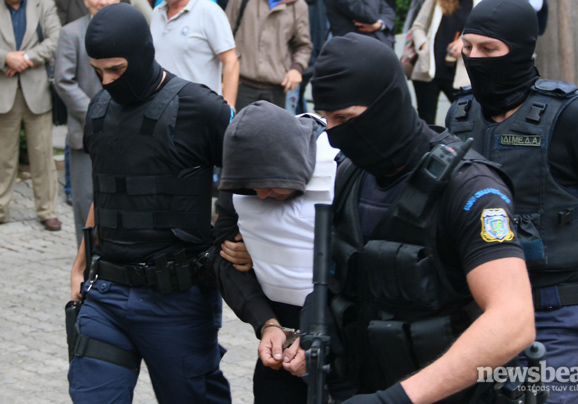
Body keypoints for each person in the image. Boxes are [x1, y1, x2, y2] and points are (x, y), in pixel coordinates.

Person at [301, 32, 536, 403]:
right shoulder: (351, 174)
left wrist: (398, 399)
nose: (333, 135)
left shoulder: (470, 189)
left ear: (387, 105)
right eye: (326, 119)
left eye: (345, 118)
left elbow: (514, 321)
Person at [445, 0, 578, 403]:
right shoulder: (460, 115)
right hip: (476, 311)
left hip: (555, 314)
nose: (474, 58)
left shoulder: (575, 119)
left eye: (489, 49)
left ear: (520, 49)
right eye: (468, 47)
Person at [67, 4, 232, 403]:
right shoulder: (99, 110)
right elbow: (106, 193)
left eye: (116, 69)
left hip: (177, 301)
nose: (107, 81)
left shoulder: (201, 108)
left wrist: (239, 241)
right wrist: (79, 266)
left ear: (142, 53)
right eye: (98, 71)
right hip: (106, 294)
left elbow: (251, 182)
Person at [212, 100, 337, 404]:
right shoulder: (240, 182)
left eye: (268, 184)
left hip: (344, 340)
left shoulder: (340, 164)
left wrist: (322, 336)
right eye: (250, 188)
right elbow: (223, 259)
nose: (261, 195)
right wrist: (266, 323)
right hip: (280, 339)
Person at [55, 0, 119, 247]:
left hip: (124, 131)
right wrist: (98, 114)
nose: (102, 1)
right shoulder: (71, 32)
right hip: (85, 133)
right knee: (85, 200)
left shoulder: (128, 30)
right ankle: (86, 258)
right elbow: (64, 81)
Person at [0, 0, 62, 231]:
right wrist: (6, 58)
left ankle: (48, 211)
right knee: (3, 157)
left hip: (37, 91)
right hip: (3, 91)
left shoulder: (43, 4)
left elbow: (55, 39)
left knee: (42, 155)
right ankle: (1, 208)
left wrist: (25, 58)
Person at [224, 0, 312, 112]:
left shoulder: (298, 6)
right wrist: (223, 76)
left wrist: (297, 68)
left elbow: (303, 46)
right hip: (240, 83)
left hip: (277, 88)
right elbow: (224, 35)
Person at [151, 0, 239, 108]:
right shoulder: (157, 12)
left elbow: (230, 61)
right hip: (161, 107)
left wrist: (229, 109)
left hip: (198, 109)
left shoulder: (210, 11)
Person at [409, 0, 475, 125]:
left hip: (459, 74)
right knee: (426, 123)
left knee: (464, 121)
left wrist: (465, 42)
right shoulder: (436, 1)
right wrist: (423, 46)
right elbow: (418, 27)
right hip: (429, 71)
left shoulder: (479, 3)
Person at [323, 0, 395, 48]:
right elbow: (369, 15)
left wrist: (378, 25)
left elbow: (389, 12)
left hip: (379, 46)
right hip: (354, 49)